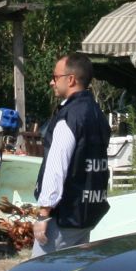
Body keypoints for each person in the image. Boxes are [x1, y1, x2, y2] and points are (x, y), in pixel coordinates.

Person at [33, 52, 110, 256]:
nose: (51, 82)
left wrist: (43, 214)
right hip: (88, 213)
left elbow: (57, 166)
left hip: (64, 217)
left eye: (55, 77)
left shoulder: (70, 116)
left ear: (71, 79)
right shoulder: (97, 114)